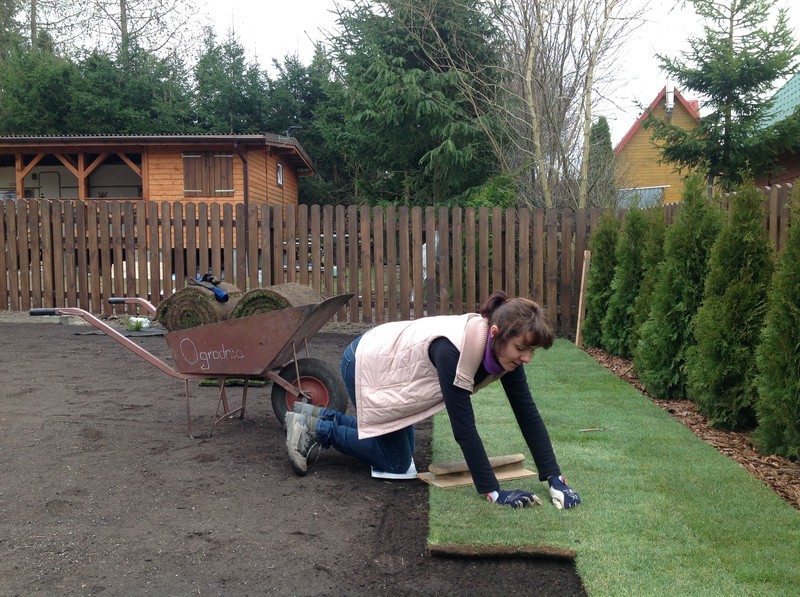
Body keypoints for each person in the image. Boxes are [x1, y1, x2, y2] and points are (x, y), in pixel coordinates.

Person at [284, 290, 581, 509]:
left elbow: (526, 412)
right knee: (397, 463)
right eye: (521, 349)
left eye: (531, 352)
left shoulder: (505, 354)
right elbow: (464, 428)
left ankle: (313, 417)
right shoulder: (455, 351)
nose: (526, 358)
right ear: (496, 333)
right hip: (369, 363)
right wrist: (494, 492)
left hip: (393, 367)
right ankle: (316, 429)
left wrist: (554, 477)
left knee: (399, 453)